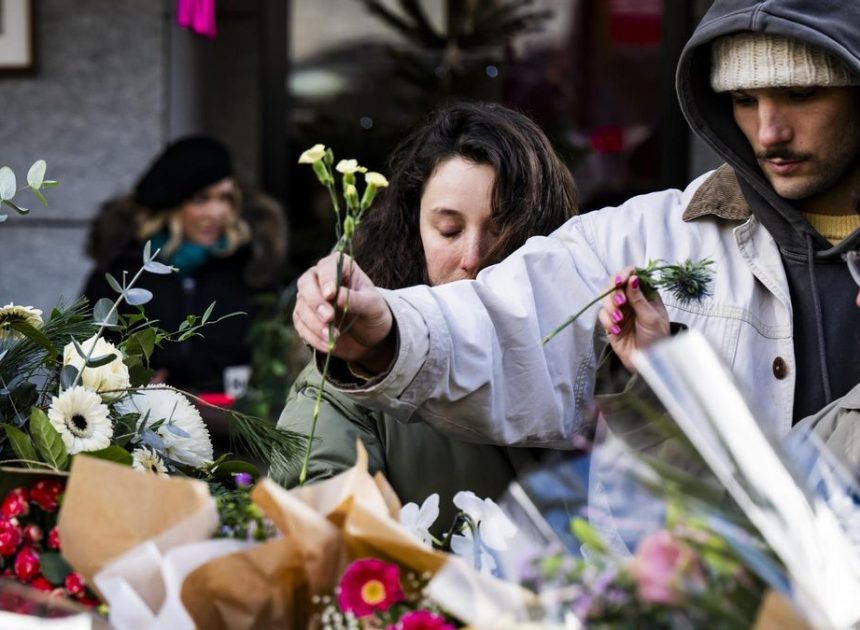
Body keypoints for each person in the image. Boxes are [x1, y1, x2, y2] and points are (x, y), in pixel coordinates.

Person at [292, 0, 860, 449]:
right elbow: (510, 322)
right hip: (697, 592)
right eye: (742, 98)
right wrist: (387, 333)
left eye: (800, 94)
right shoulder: (648, 238)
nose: (767, 132)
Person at [278, 102, 578, 527]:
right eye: (449, 230)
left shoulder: (595, 349)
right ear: (412, 227)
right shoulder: (352, 369)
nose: (473, 257)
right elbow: (317, 526)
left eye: (502, 230)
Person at [83, 135, 287, 396]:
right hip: (142, 427)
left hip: (234, 428)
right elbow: (84, 355)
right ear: (172, 204)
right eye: (201, 199)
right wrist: (124, 385)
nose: (216, 212)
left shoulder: (251, 271)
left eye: (225, 197)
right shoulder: (122, 273)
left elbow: (276, 359)